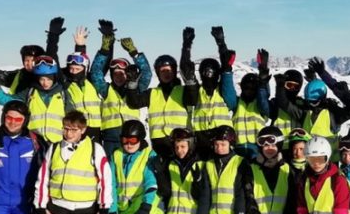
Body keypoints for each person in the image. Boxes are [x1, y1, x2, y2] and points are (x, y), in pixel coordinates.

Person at [33, 111, 114, 214]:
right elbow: (43, 178)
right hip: (59, 204)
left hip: (85, 207)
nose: (68, 134)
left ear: (82, 130)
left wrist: (104, 208)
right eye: (66, 128)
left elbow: (105, 180)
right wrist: (41, 207)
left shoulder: (95, 148)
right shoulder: (54, 148)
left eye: (73, 130)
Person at [125, 28, 197, 159]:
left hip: (180, 142)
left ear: (174, 71)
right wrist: (132, 84)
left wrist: (187, 46)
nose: (166, 73)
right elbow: (133, 103)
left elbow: (193, 99)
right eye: (162, 71)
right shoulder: (152, 93)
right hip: (159, 143)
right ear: (158, 73)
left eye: (169, 70)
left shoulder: (183, 91)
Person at [87, 19, 152, 156]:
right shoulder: (105, 89)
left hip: (132, 137)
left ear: (127, 74)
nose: (119, 76)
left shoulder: (135, 88)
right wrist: (104, 51)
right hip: (111, 138)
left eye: (122, 73)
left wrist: (134, 53)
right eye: (115, 73)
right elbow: (96, 72)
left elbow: (146, 73)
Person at [0, 55, 72, 146]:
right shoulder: (29, 92)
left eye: (49, 79)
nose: (45, 83)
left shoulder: (63, 94)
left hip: (57, 143)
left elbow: (72, 120)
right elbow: (7, 101)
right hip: (33, 142)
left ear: (54, 78)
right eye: (42, 79)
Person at [243, 126, 296, 214]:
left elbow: (292, 199)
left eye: (272, 144)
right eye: (264, 145)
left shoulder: (287, 169)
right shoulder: (252, 168)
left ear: (278, 144)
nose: (268, 148)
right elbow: (248, 197)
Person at [109, 120, 164, 214]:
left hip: (144, 199)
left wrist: (146, 206)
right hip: (125, 204)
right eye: (125, 140)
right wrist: (112, 211)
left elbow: (151, 183)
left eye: (133, 140)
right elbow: (110, 184)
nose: (128, 144)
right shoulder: (116, 155)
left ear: (140, 139)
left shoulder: (149, 154)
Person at [197, 125, 247, 214]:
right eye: (217, 144)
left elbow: (240, 194)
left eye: (223, 144)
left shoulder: (240, 162)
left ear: (231, 144)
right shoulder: (209, 164)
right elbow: (205, 196)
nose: (219, 148)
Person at [159, 129, 211, 214]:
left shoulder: (200, 165)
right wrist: (160, 174)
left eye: (183, 146)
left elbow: (202, 195)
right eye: (176, 147)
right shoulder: (171, 164)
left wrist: (198, 182)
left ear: (190, 145)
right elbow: (166, 192)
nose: (179, 150)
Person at [191, 27, 238, 155]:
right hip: (201, 138)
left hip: (222, 137)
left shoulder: (223, 89)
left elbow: (226, 70)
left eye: (211, 73)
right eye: (205, 73)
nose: (208, 76)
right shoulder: (197, 91)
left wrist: (221, 43)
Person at [232, 49, 271, 159]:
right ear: (241, 87)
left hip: (257, 149)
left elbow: (264, 97)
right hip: (238, 149)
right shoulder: (237, 103)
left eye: (253, 88)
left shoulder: (260, 105)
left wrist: (263, 71)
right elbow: (228, 93)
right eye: (246, 87)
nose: (249, 90)